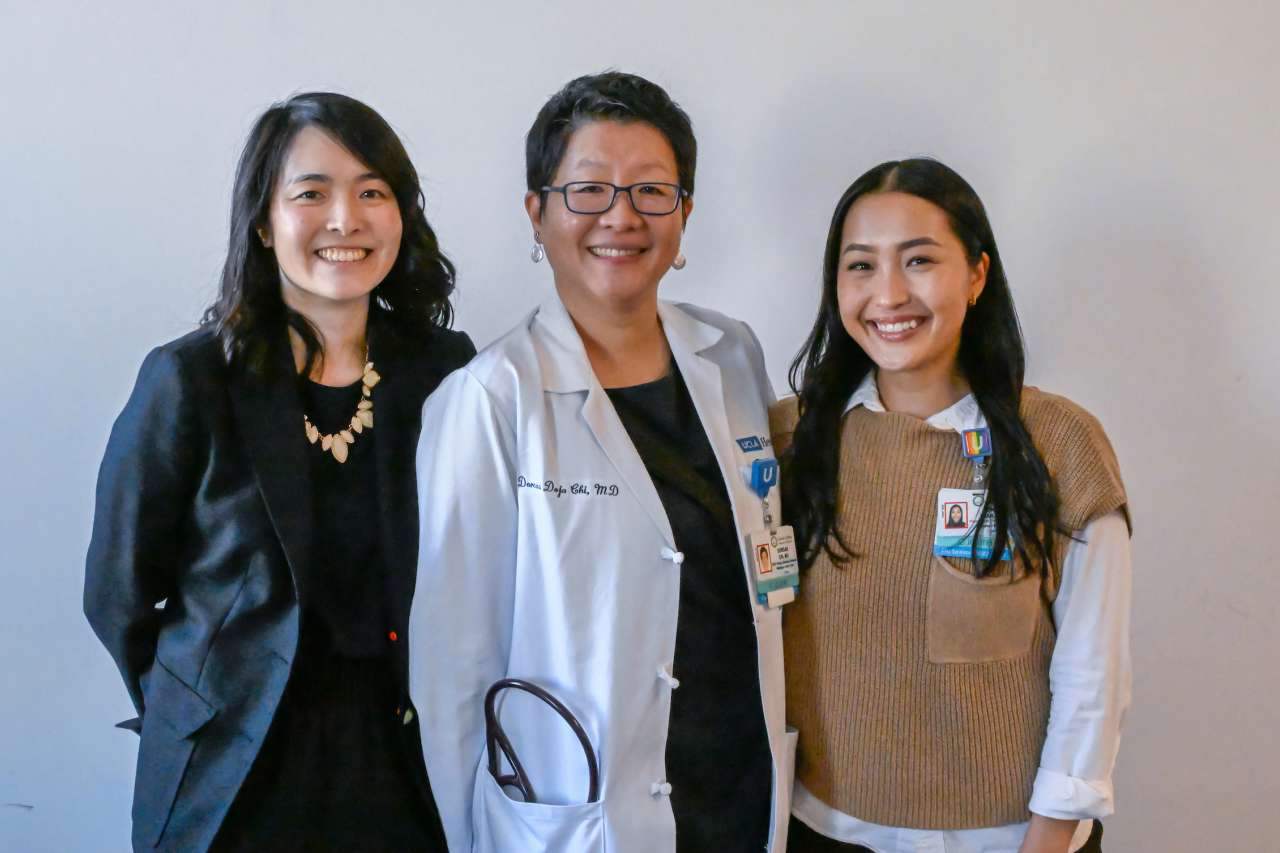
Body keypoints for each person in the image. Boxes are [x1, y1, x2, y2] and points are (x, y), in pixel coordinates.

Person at [409, 71, 795, 853]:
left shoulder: (733, 355)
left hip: (741, 790)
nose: (621, 216)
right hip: (582, 816)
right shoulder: (488, 399)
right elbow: (454, 673)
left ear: (685, 213)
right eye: (588, 190)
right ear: (537, 213)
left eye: (652, 191)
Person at [83, 92, 474, 852]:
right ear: (264, 221)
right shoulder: (191, 378)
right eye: (311, 193)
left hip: (402, 752)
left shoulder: (445, 372)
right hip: (233, 760)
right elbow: (116, 589)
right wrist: (193, 700)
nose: (344, 219)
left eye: (372, 192)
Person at [772, 159, 1131, 853]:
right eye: (861, 266)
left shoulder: (1059, 444)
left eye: (919, 261)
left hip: (1013, 838)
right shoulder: (789, 441)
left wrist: (1048, 838)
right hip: (823, 829)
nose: (889, 294)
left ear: (976, 274)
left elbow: (1093, 672)